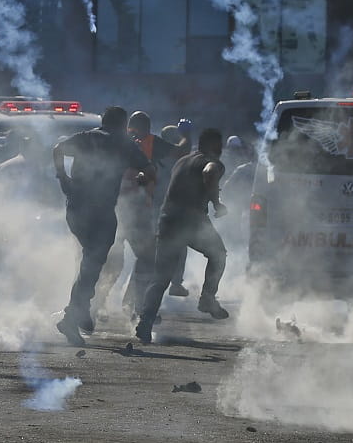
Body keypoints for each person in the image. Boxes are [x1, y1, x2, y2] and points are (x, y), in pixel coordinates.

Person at [51, 105, 155, 346]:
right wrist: (141, 178)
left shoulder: (86, 137)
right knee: (93, 261)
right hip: (101, 213)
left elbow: (57, 149)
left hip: (75, 209)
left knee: (91, 260)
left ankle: (80, 309)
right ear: (122, 124)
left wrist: (62, 177)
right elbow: (149, 170)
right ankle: (74, 313)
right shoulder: (125, 144)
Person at [134, 127, 230, 342]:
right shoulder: (212, 161)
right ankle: (207, 298)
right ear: (215, 146)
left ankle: (145, 322)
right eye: (220, 146)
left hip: (168, 219)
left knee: (161, 277)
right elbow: (209, 172)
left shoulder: (182, 161)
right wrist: (216, 203)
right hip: (191, 220)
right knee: (219, 254)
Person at [96, 111, 162, 317]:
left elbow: (149, 172)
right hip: (118, 209)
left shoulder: (139, 146)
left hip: (132, 210)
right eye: (133, 129)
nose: (138, 134)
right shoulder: (121, 145)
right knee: (116, 261)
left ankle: (133, 304)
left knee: (145, 257)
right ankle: (98, 303)